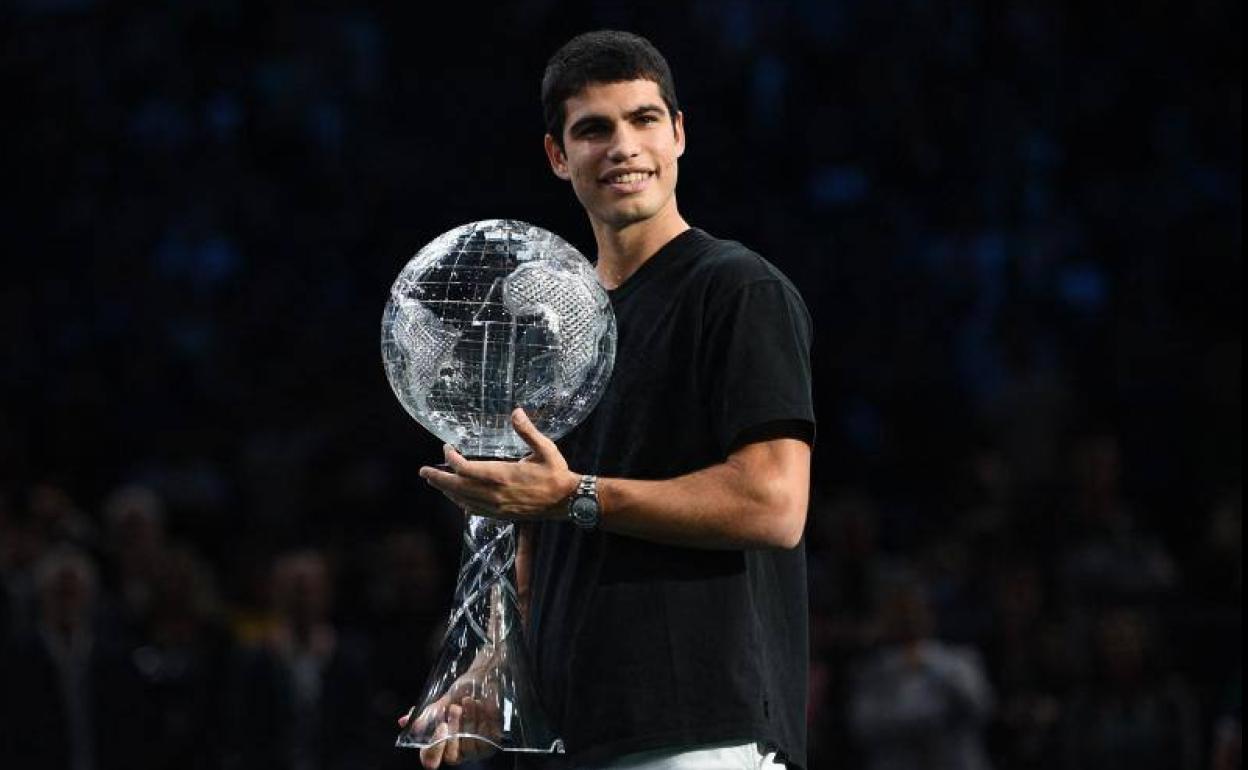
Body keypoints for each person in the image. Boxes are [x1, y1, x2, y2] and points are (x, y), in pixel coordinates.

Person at [409, 29, 815, 769]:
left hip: (700, 731)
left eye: (644, 119)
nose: (623, 146)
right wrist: (491, 679)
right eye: (593, 129)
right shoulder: (558, 327)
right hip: (575, 736)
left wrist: (577, 498)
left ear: (679, 135)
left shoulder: (735, 289)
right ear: (558, 157)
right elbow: (534, 541)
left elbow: (775, 504)